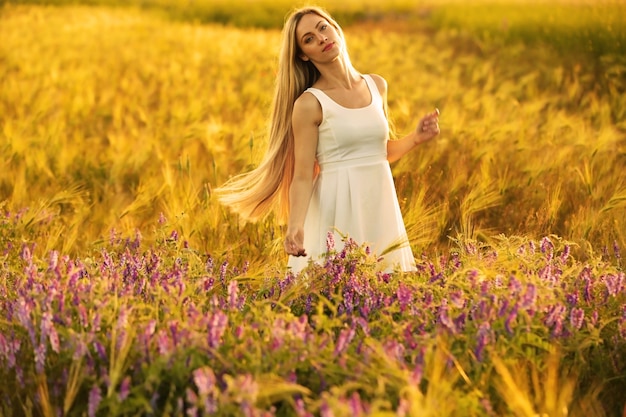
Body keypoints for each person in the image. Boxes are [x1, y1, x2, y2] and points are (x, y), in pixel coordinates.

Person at [216, 6, 440, 275]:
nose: (321, 38)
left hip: (378, 204)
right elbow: (302, 175)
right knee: (334, 296)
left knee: (386, 292)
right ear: (303, 55)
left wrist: (416, 138)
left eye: (323, 28)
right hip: (337, 210)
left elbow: (379, 152)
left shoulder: (377, 85)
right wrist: (296, 226)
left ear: (335, 28)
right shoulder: (310, 104)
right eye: (308, 39)